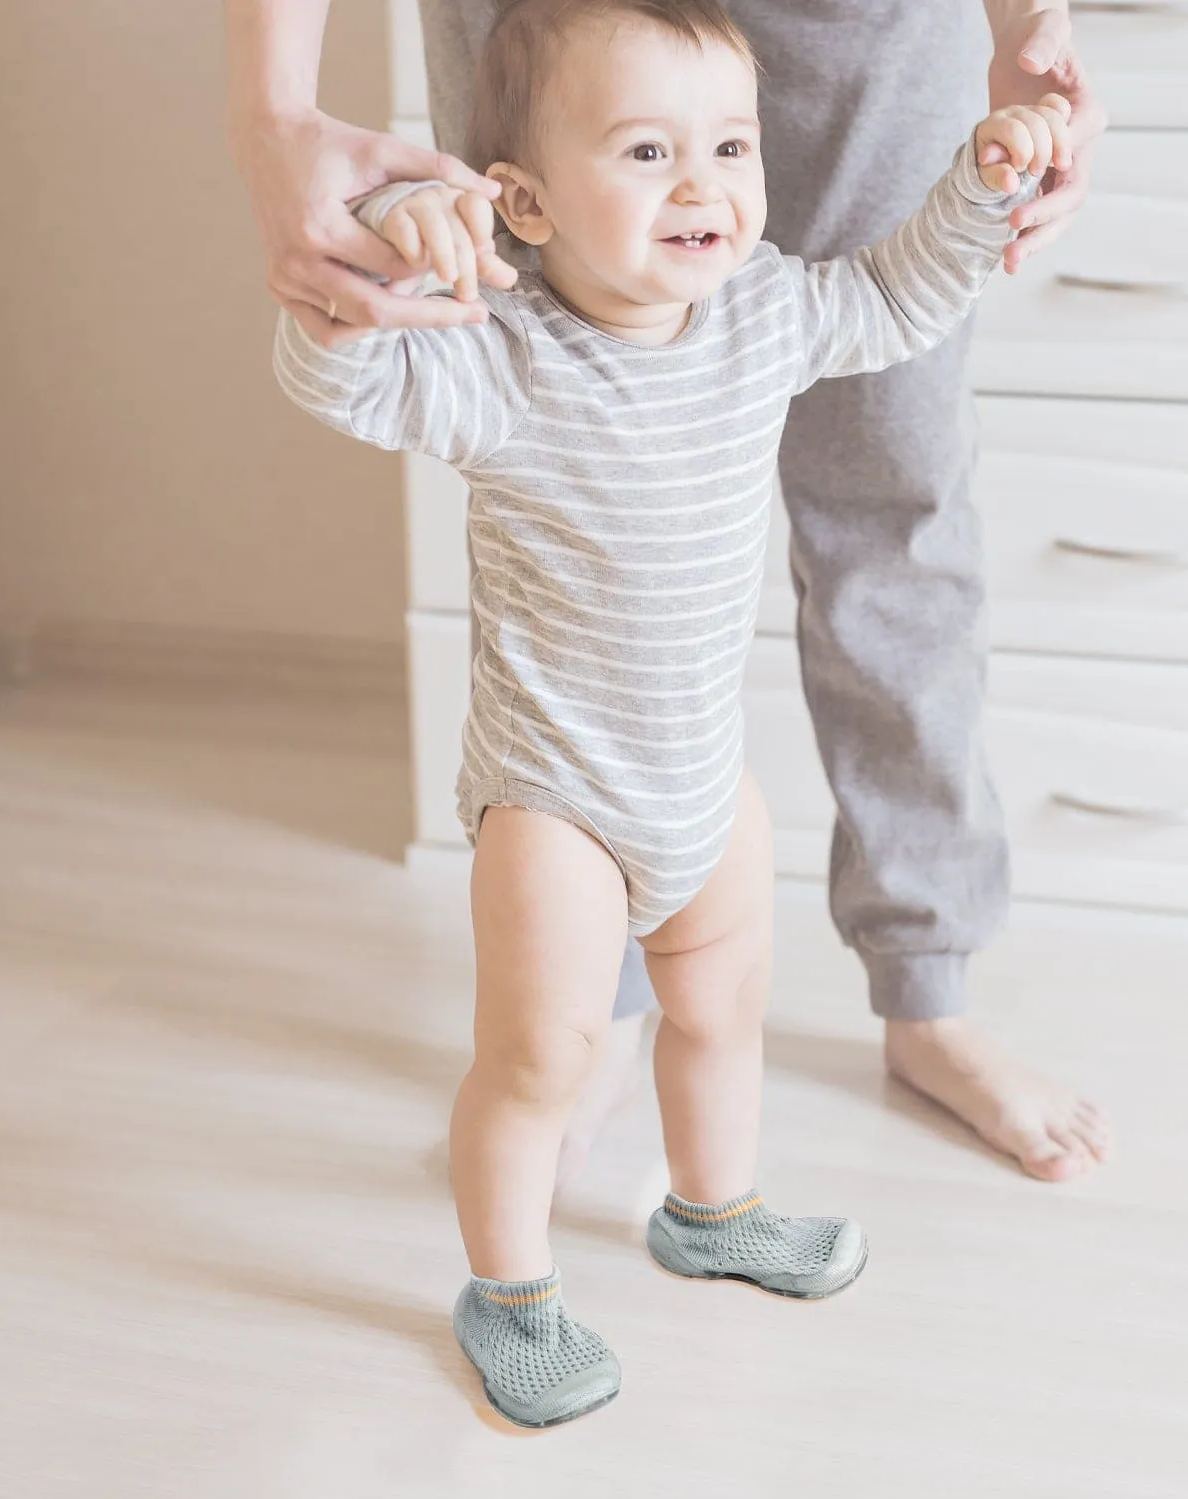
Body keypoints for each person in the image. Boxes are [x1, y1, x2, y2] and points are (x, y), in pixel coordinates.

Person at [272, 0, 1069, 1427]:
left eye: (728, 146)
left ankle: (713, 1208)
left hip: (706, 785)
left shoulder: (757, 311)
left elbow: (895, 296)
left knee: (722, 1016)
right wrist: (376, 256)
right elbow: (335, 371)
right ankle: (506, 1290)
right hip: (556, 804)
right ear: (517, 199)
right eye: (648, 151)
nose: (703, 185)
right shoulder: (496, 356)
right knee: (540, 1060)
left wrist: (982, 180)